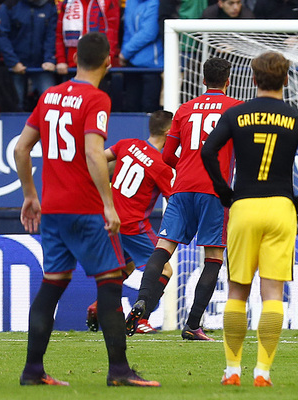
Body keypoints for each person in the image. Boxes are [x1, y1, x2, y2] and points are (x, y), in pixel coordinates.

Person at [13, 32, 158, 387]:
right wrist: (109, 205)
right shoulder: (96, 98)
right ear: (108, 63)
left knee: (51, 286)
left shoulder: (48, 95)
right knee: (109, 285)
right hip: (86, 211)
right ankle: (119, 371)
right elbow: (95, 153)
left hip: (53, 210)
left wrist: (30, 195)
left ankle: (33, 371)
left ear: (76, 60)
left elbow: (21, 148)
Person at [201, 51, 298, 387]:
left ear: (253, 79)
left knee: (237, 293)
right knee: (272, 293)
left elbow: (208, 151)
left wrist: (224, 192)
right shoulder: (297, 117)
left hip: (244, 206)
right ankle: (262, 372)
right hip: (280, 209)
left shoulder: (236, 113)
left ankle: (231, 370)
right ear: (286, 80)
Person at [125, 57, 242, 341]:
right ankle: (192, 324)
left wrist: (186, 169)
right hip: (214, 190)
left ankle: (141, 301)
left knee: (163, 248)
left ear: (202, 80)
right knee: (213, 257)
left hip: (182, 187)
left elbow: (166, 156)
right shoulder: (237, 109)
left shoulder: (185, 109)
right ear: (228, 81)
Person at [85, 110, 176, 335]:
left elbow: (98, 158)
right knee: (164, 269)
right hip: (134, 225)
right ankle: (142, 320)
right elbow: (174, 200)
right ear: (168, 132)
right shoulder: (160, 165)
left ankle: (98, 306)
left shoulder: (127, 144)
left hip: (111, 219)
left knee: (127, 265)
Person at [0, 0, 57, 111]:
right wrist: (13, 62)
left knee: (52, 102)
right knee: (14, 105)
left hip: (41, 67)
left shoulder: (50, 5)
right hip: (15, 66)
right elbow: (2, 36)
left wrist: (49, 60)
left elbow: (51, 35)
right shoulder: (9, 6)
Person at [55, 0, 121, 77]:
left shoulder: (109, 2)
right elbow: (59, 34)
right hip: (71, 67)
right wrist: (61, 60)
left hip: (98, 66)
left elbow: (112, 34)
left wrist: (107, 59)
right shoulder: (67, 3)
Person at [119, 0, 163, 112]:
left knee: (149, 106)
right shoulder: (131, 2)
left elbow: (149, 33)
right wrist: (124, 54)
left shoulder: (155, 3)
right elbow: (127, 31)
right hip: (131, 64)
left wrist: (125, 52)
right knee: (130, 106)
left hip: (152, 66)